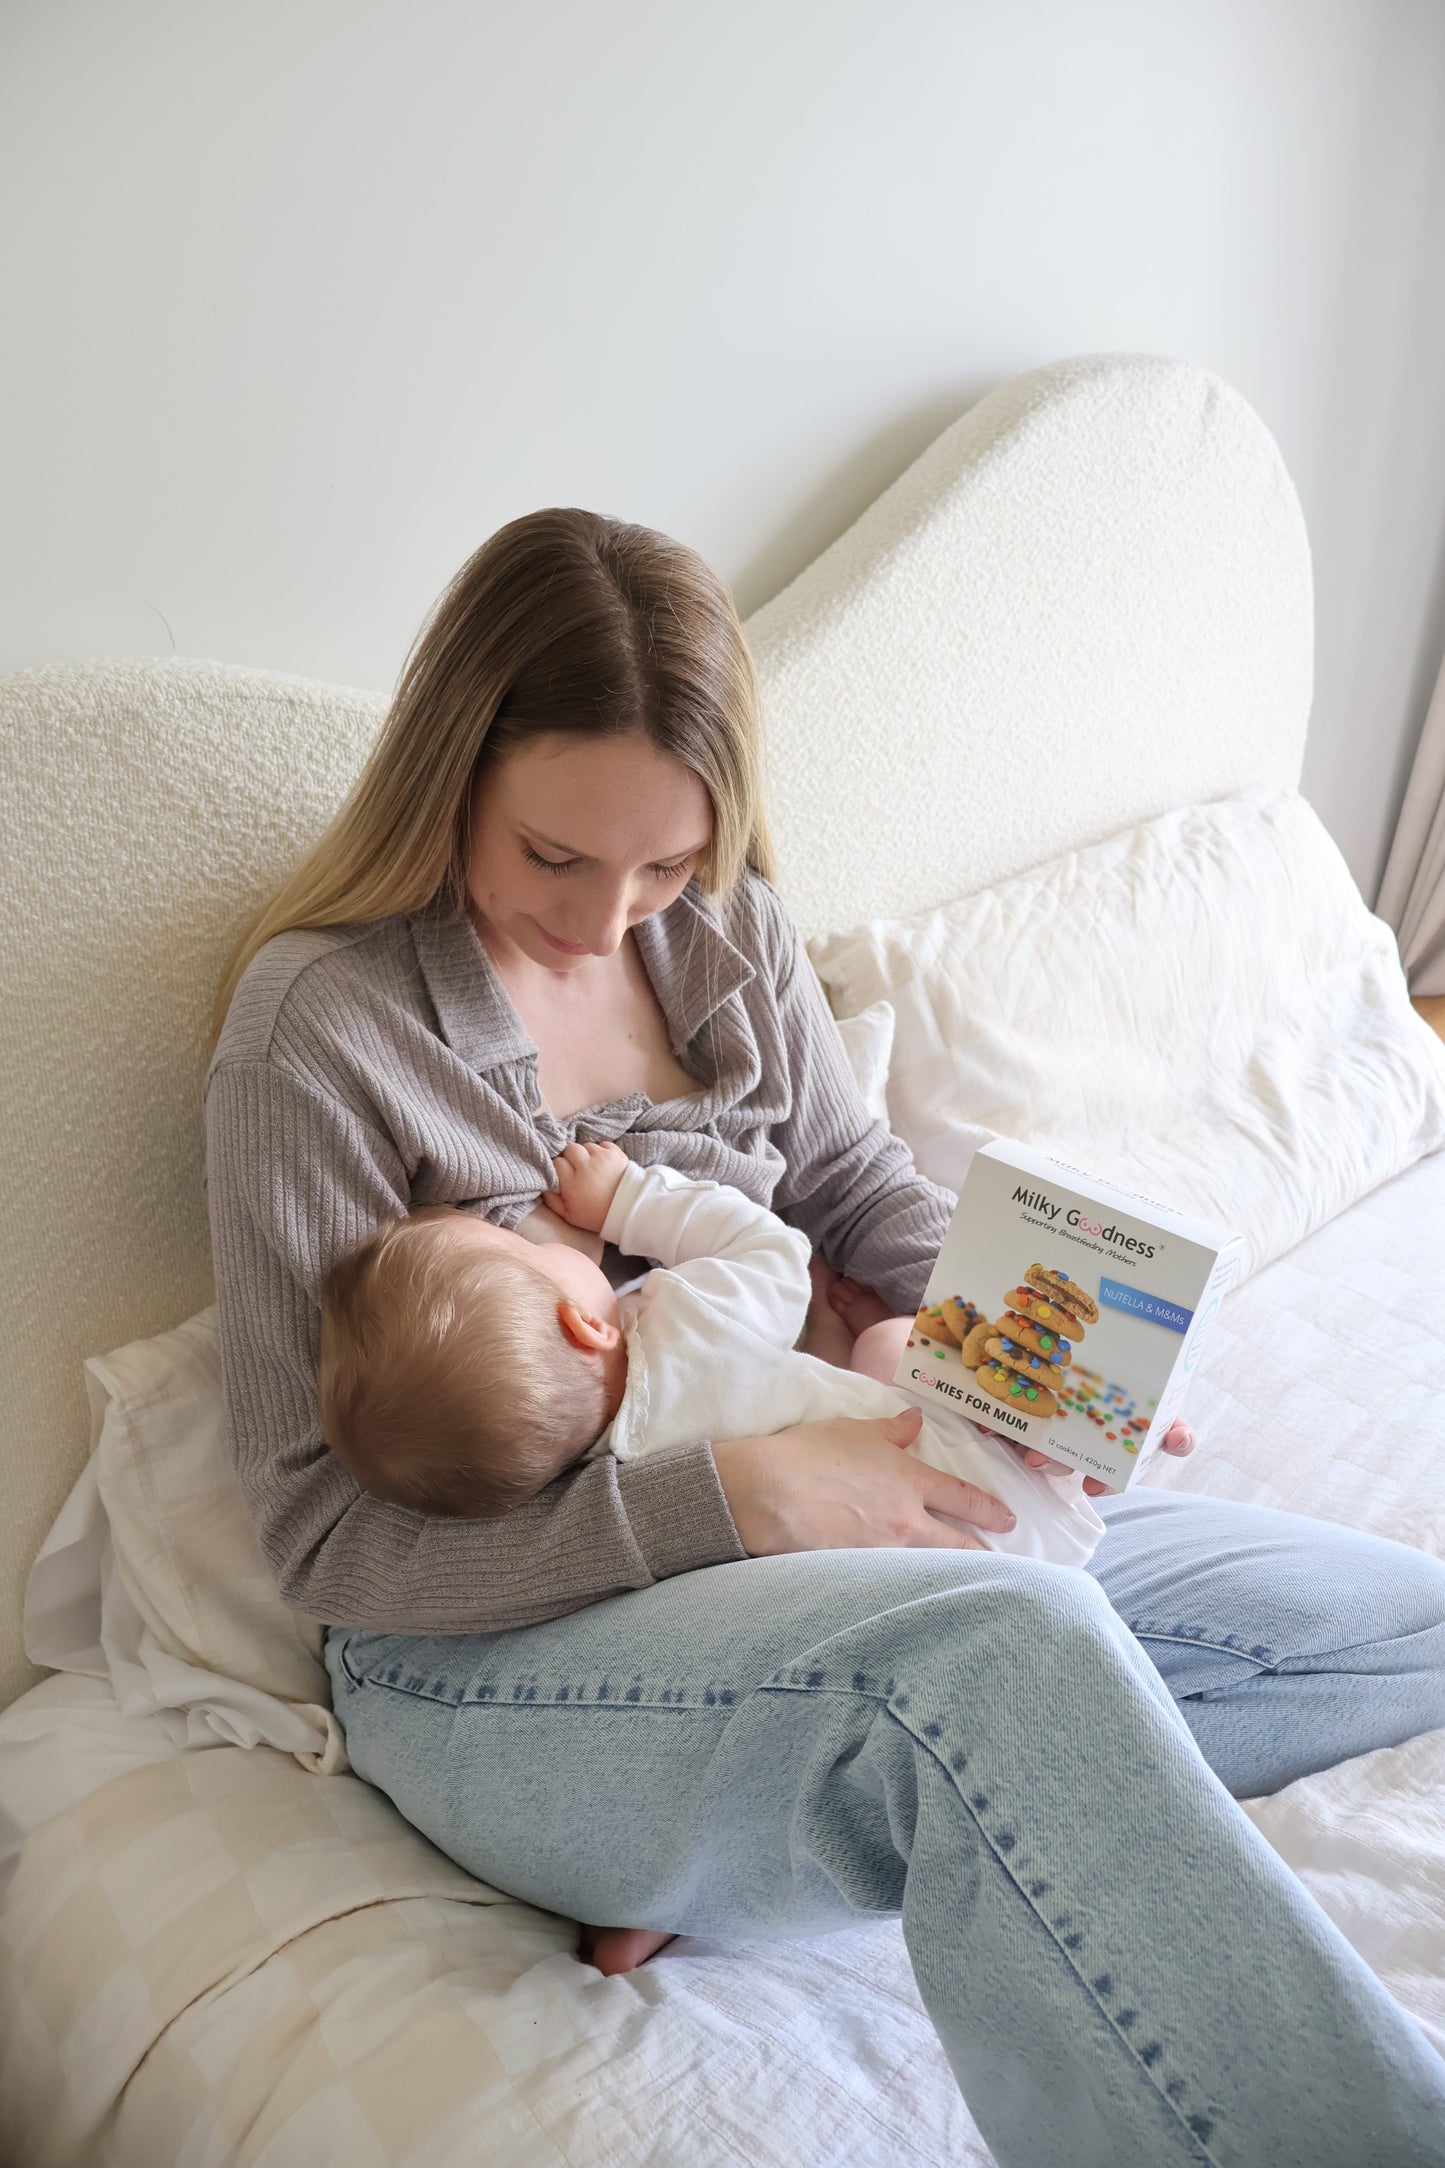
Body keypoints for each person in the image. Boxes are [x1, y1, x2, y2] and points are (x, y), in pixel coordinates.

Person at [205, 508, 1445, 2166]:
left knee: (1395, 1627)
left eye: (661, 863)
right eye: (554, 857)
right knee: (1007, 1652)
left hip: (860, 1513)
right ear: (450, 775)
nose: (607, 918)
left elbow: (857, 1189)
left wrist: (1007, 1364)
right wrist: (751, 1489)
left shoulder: (727, 937)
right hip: (494, 1646)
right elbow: (320, 1533)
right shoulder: (322, 1031)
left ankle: (796, 1816)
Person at [314, 1137, 1105, 1562]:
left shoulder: (612, 1471)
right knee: (895, 1341)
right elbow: (769, 1247)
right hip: (988, 1482)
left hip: (940, 1561)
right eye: (512, 1241)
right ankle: (852, 1344)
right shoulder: (697, 1325)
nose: (523, 1229)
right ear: (586, 1327)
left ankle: (834, 1352)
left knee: (852, 1361)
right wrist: (627, 1199)